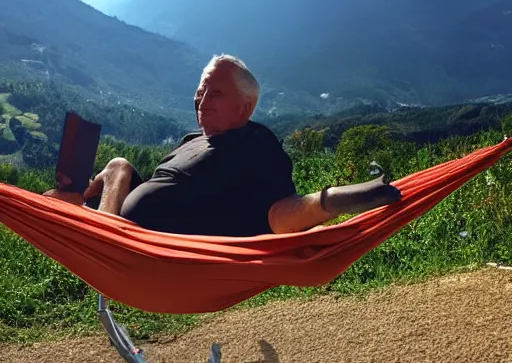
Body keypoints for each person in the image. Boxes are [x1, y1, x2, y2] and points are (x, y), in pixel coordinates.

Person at [43, 54, 402, 236]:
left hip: (136, 250)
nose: (202, 101)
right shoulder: (193, 140)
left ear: (245, 106)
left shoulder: (255, 145)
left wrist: (335, 200)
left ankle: (81, 215)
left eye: (215, 94)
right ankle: (78, 203)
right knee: (119, 164)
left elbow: (278, 214)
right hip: (124, 235)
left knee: (115, 169)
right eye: (200, 93)